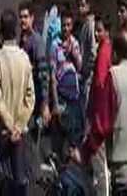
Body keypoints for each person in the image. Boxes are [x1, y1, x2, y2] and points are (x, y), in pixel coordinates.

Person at [70, 30, 127, 196]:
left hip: (126, 178)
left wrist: (83, 153)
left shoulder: (113, 78)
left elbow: (101, 125)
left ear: (114, 54)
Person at [0, 9, 35, 196]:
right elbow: (30, 97)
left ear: (1, 31)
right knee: (19, 181)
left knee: (2, 182)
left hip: (3, 132)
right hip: (19, 132)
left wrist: (10, 126)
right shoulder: (24, 58)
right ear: (16, 30)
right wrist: (18, 126)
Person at [86, 15, 113, 196]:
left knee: (101, 168)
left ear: (107, 32)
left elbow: (100, 86)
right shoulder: (104, 50)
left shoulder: (104, 52)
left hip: (100, 119)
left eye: (100, 31)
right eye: (95, 30)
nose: (96, 34)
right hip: (100, 117)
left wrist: (97, 121)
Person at [49, 13, 82, 150]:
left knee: (73, 137)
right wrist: (55, 103)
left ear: (72, 26)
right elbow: (52, 75)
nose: (66, 28)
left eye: (68, 25)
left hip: (74, 97)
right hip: (61, 97)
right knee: (60, 137)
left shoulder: (75, 43)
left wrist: (74, 54)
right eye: (64, 25)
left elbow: (80, 68)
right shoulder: (54, 45)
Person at [18, 0, 51, 130]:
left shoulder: (37, 42)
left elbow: (44, 74)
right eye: (21, 17)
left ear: (32, 18)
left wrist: (45, 103)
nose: (23, 20)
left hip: (36, 99)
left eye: (26, 17)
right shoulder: (22, 41)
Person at [74, 0, 97, 114]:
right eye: (79, 5)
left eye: (83, 5)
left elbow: (93, 50)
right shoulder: (83, 24)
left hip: (88, 76)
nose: (80, 9)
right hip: (83, 74)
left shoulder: (90, 25)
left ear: (88, 5)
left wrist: (87, 70)